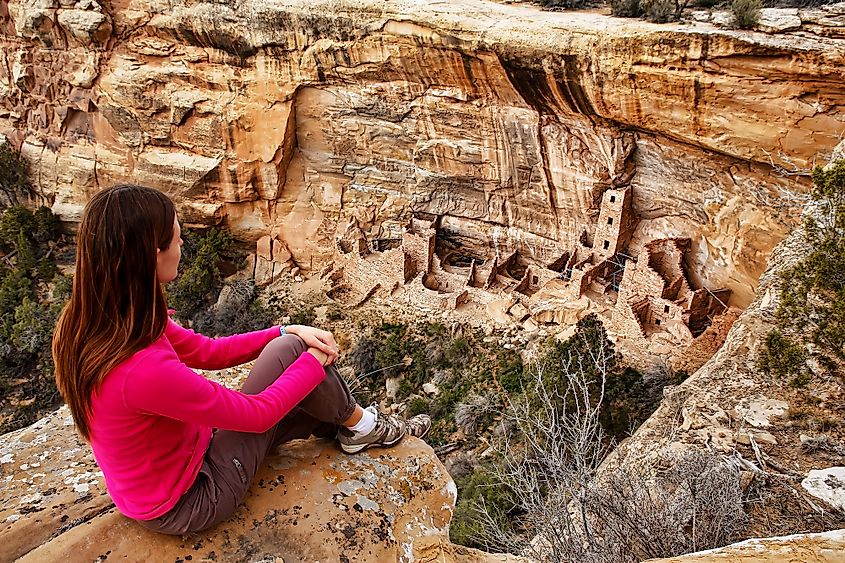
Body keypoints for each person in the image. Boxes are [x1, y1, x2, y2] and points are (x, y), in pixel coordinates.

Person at [52, 184, 430, 535]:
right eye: (178, 237)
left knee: (288, 351)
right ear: (154, 252)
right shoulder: (139, 370)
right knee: (298, 371)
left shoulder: (107, 318)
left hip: (191, 454)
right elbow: (257, 415)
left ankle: (355, 427)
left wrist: (283, 331)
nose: (183, 245)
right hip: (192, 497)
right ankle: (362, 427)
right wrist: (313, 363)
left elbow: (205, 351)